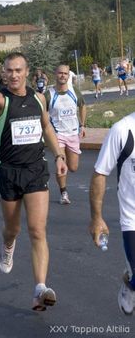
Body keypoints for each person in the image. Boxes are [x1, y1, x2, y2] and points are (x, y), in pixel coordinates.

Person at [0, 52, 67, 311]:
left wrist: (59, 155)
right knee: (13, 229)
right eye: (9, 70)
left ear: (27, 72)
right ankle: (8, 245)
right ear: (3, 73)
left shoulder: (39, 98)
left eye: (18, 70)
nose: (14, 75)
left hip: (35, 170)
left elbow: (47, 129)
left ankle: (40, 288)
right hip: (8, 172)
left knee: (38, 230)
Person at [89, 112, 135, 315]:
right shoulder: (122, 130)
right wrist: (97, 218)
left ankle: (132, 282)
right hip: (133, 219)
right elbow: (100, 174)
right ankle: (131, 283)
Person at [45, 65, 86, 205]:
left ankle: (62, 167)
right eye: (60, 73)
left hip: (73, 133)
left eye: (65, 73)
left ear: (68, 76)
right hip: (57, 134)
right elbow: (43, 115)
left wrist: (82, 125)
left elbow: (82, 106)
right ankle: (63, 192)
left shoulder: (74, 91)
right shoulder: (49, 94)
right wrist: (45, 130)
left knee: (73, 167)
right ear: (55, 74)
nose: (63, 76)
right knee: (60, 162)